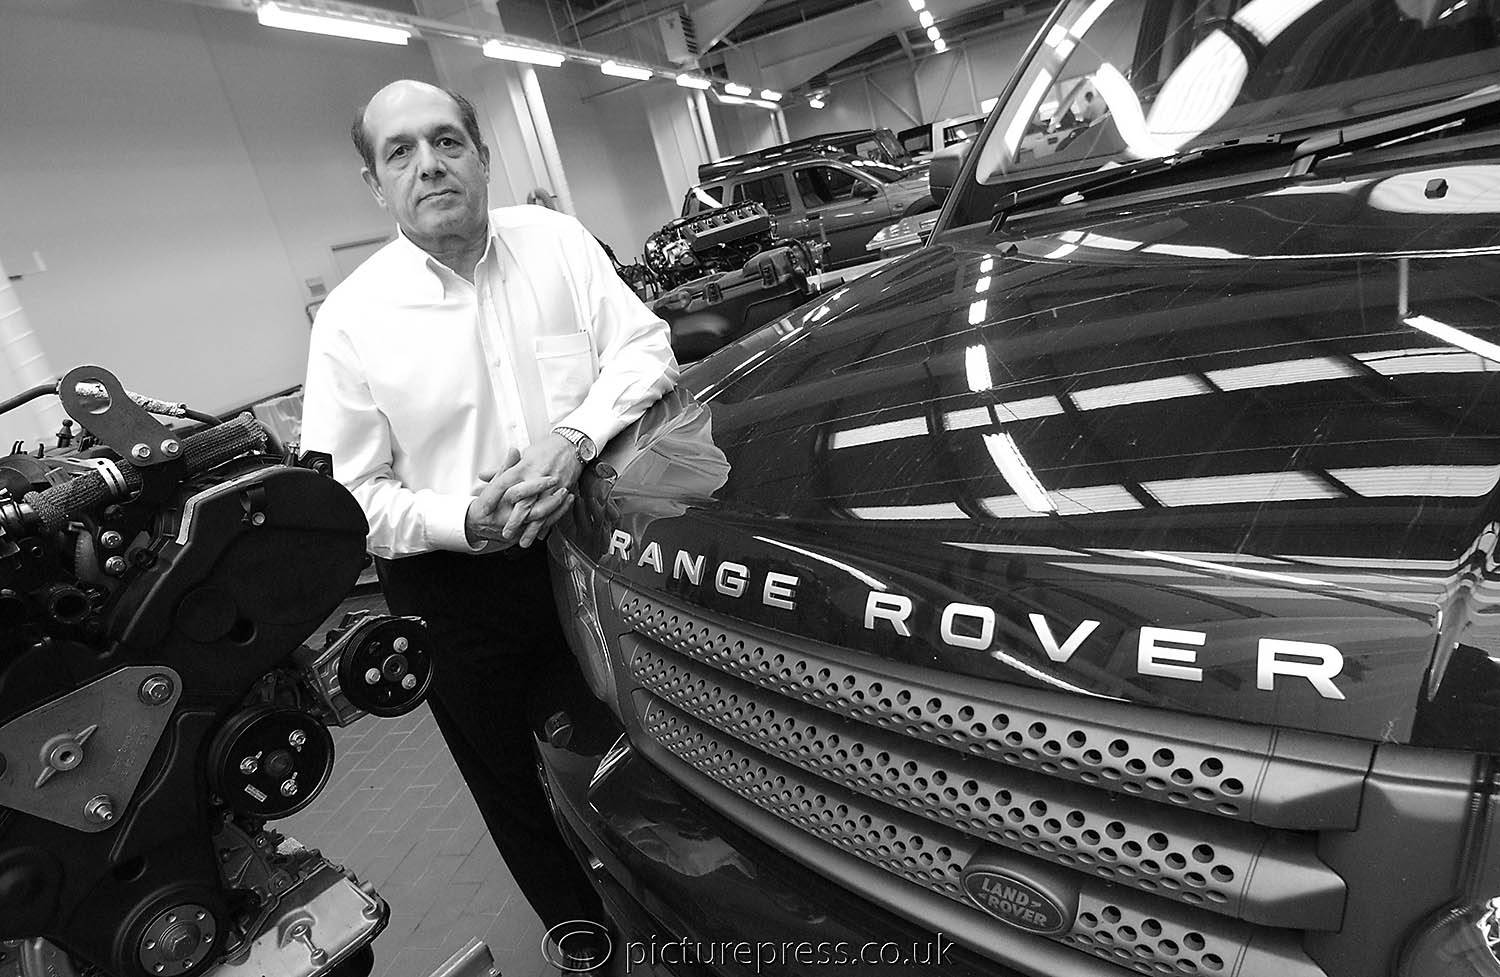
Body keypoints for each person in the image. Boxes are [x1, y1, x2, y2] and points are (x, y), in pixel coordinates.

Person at [300, 79, 679, 954]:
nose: (429, 164)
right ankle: (586, 943)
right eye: (400, 152)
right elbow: (345, 498)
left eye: (446, 141)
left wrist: (575, 438)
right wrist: (459, 519)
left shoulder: (557, 245)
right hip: (456, 589)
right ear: (375, 183)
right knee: (515, 784)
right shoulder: (353, 321)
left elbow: (646, 345)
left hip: (593, 544)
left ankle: (680, 916)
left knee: (646, 740)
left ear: (481, 152)